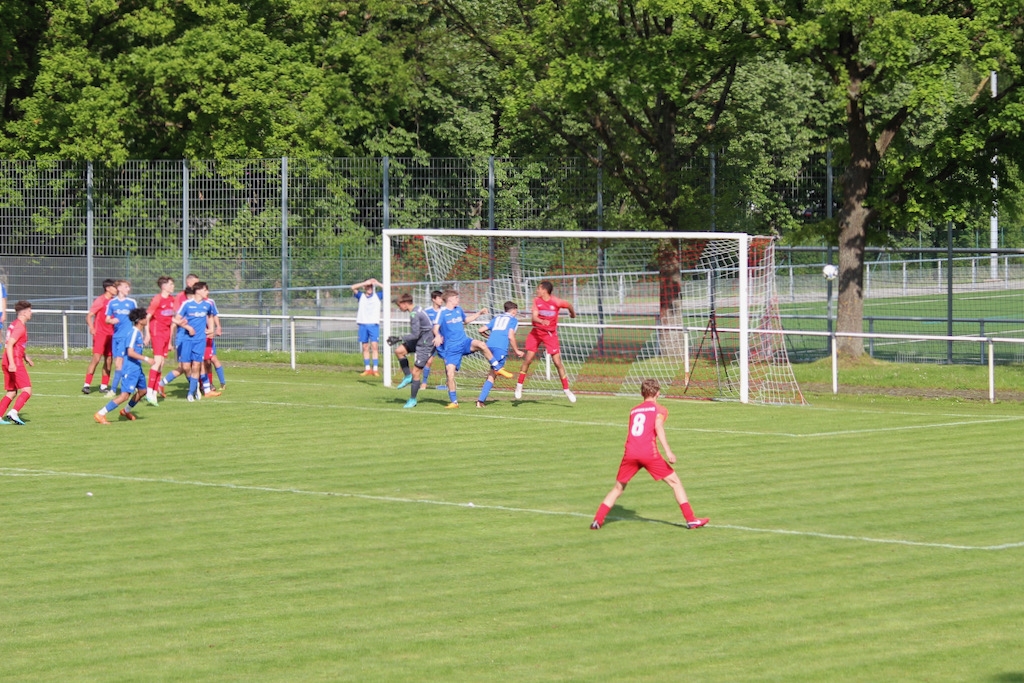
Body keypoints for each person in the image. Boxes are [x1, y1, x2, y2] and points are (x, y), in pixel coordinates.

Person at [590, 379, 708, 530]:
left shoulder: (634, 410)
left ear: (642, 393)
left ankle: (597, 520)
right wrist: (668, 451)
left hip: (630, 453)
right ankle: (691, 519)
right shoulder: (660, 410)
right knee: (675, 482)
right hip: (648, 453)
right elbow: (658, 426)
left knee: (618, 488)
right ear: (658, 393)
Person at [431, 289, 503, 409]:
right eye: (456, 298)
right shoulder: (442, 312)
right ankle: (454, 402)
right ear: (450, 299)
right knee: (450, 375)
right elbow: (435, 328)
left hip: (464, 342)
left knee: (482, 344)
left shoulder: (458, 310)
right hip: (452, 349)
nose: (458, 300)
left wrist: (479, 313)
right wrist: (437, 335)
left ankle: (497, 366)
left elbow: (466, 321)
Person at [515, 280, 577, 403]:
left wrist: (572, 314)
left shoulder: (556, 302)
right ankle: (519, 386)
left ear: (544, 290)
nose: (537, 290)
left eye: (539, 288)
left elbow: (569, 305)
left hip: (550, 334)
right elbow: (534, 317)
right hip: (536, 332)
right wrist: (541, 321)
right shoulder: (536, 301)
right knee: (528, 359)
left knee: (557, 362)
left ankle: (567, 390)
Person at [94, 309, 154, 424]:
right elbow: (130, 352)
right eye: (144, 317)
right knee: (124, 396)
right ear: (140, 320)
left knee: (142, 391)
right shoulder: (134, 333)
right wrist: (147, 359)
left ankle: (126, 411)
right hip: (130, 369)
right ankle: (100, 414)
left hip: (137, 368)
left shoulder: (139, 333)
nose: (147, 319)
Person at [172, 281, 217, 402]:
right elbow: (176, 319)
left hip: (200, 340)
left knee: (197, 365)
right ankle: (195, 386)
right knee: (186, 367)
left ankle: (191, 393)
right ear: (198, 291)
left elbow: (211, 316)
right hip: (186, 340)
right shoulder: (187, 304)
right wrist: (188, 327)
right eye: (205, 290)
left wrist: (211, 329)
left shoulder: (207, 305)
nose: (207, 292)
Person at [390, 292, 436, 409]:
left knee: (416, 372)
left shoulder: (414, 314)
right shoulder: (417, 309)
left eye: (399, 305)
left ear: (405, 303)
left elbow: (415, 334)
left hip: (425, 344)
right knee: (399, 351)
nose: (399, 308)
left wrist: (399, 338)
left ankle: (412, 399)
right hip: (420, 340)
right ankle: (407, 376)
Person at [475, 301, 523, 408]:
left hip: (488, 347)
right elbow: (510, 336)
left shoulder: (497, 318)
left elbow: (480, 330)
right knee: (492, 375)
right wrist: (517, 350)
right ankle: (480, 401)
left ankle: (481, 400)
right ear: (514, 311)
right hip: (500, 348)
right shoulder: (513, 320)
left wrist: (488, 337)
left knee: (492, 373)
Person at [159, 274, 199, 394]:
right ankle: (196, 388)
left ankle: (200, 387)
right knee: (185, 366)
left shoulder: (198, 299)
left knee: (191, 365)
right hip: (182, 337)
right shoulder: (180, 298)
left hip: (195, 337)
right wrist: (169, 342)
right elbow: (174, 321)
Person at [143, 276, 176, 405]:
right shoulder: (157, 299)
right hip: (157, 332)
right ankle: (149, 391)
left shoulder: (172, 300)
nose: (173, 286)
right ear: (164, 286)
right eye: (170, 284)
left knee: (161, 363)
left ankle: (154, 391)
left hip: (166, 333)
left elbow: (171, 319)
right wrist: (147, 334)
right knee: (157, 361)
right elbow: (147, 317)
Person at [1, 301, 34, 425]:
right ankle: (13, 413)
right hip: (14, 361)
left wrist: (25, 356)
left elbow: (16, 345)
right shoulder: (20, 327)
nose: (31, 313)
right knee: (27, 390)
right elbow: (10, 344)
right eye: (29, 311)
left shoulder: (14, 324)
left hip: (7, 360)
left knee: (12, 391)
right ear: (24, 313)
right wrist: (12, 363)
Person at [82, 278, 117, 394]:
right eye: (114, 287)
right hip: (101, 334)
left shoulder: (114, 302)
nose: (116, 289)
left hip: (111, 335)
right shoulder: (100, 300)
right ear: (108, 288)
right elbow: (89, 315)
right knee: (96, 358)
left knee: (109, 360)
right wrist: (92, 328)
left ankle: (103, 386)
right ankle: (86, 385)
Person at [104, 280, 137, 396]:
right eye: (126, 287)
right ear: (119, 288)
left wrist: (139, 333)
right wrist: (111, 320)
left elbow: (138, 319)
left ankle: (113, 390)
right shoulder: (112, 303)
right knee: (122, 364)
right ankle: (132, 386)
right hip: (116, 337)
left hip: (127, 337)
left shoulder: (131, 302)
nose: (128, 289)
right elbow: (107, 319)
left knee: (120, 363)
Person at [351, 277, 384, 376]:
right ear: (365, 287)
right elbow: (353, 287)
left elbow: (388, 290)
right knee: (365, 347)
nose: (370, 288)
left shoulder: (377, 296)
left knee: (374, 346)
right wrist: (364, 283)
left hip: (373, 324)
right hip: (363, 324)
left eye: (371, 286)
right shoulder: (361, 296)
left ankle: (375, 369)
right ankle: (367, 368)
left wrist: (377, 283)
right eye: (368, 286)